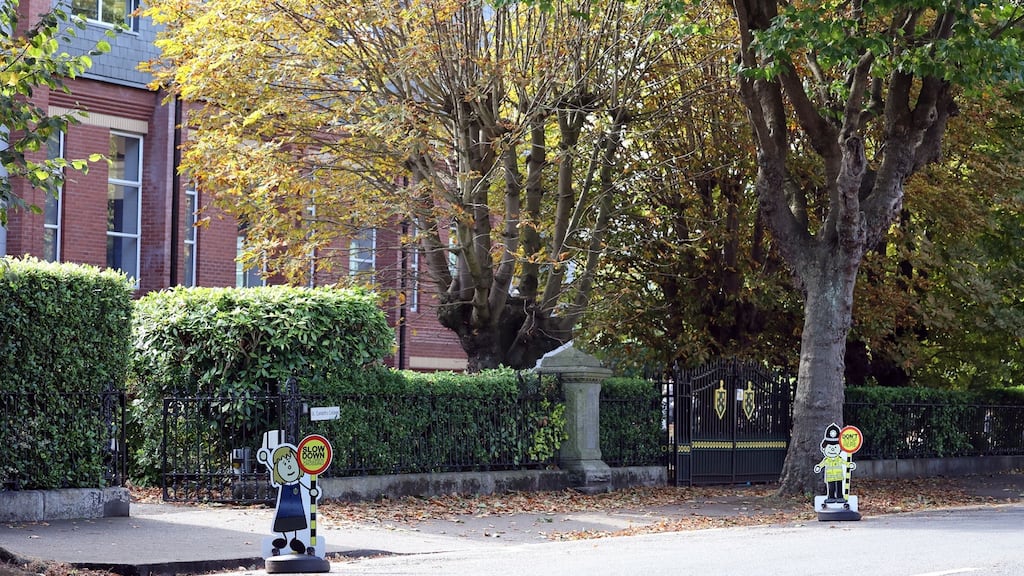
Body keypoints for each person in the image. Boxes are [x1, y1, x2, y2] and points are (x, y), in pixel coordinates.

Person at [268, 444, 318, 555]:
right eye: (284, 464)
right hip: (284, 507)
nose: (289, 467)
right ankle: (284, 539)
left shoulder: (299, 484)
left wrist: (313, 491)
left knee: (296, 523)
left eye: (291, 462)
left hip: (296, 508)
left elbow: (308, 488)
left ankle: (295, 540)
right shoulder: (283, 486)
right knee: (283, 522)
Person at [814, 423, 855, 503]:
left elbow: (844, 462)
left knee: (839, 487)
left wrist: (849, 464)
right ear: (824, 449)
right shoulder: (827, 460)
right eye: (830, 447)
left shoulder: (839, 459)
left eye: (835, 447)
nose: (832, 449)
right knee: (831, 487)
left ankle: (840, 496)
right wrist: (819, 466)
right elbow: (822, 463)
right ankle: (831, 497)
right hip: (830, 477)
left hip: (839, 476)